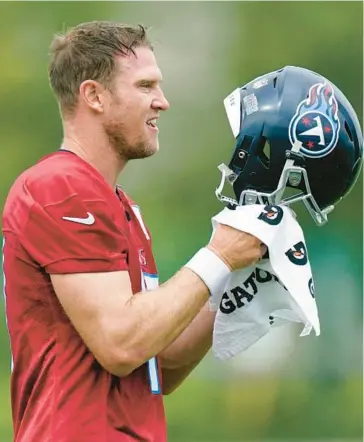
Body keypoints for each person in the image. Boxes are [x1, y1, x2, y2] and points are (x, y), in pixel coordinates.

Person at [2, 21, 265, 442]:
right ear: (94, 96)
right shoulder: (60, 187)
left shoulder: (119, 205)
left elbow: (160, 361)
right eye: (145, 86)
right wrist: (217, 256)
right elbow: (121, 344)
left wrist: (244, 285)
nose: (162, 102)